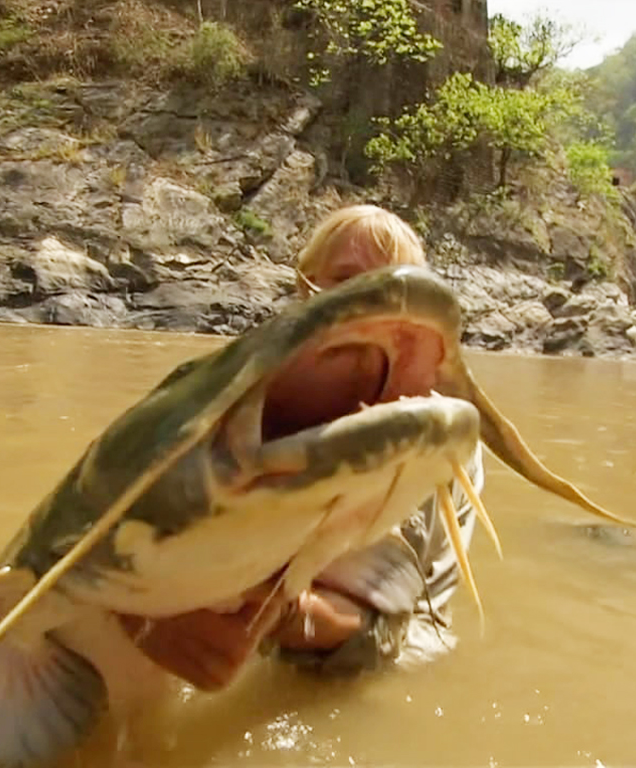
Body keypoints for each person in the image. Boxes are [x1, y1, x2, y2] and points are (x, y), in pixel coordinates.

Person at [117, 204, 484, 689]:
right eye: (346, 281)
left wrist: (277, 617)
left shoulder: (426, 434)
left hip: (386, 647)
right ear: (303, 288)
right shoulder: (235, 387)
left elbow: (382, 619)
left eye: (393, 294)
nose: (368, 307)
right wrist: (143, 611)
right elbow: (116, 512)